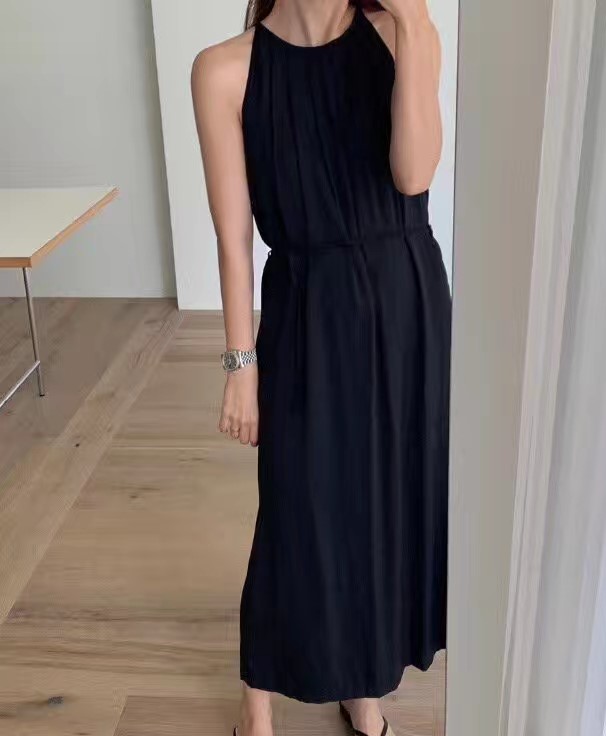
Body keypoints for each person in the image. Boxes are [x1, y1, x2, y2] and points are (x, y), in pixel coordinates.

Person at [191, 1, 451, 734]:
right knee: (295, 502)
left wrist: (416, 22)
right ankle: (257, 694)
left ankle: (361, 683)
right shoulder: (224, 71)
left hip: (407, 306)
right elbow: (234, 239)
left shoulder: (402, 33)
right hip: (308, 309)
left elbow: (413, 175)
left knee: (382, 502)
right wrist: (241, 363)